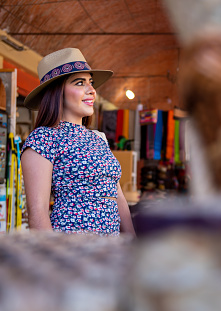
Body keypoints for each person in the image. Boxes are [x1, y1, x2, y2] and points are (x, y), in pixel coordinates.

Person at [21, 48, 136, 236]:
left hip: (110, 248)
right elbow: (38, 213)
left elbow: (118, 197)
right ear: (57, 91)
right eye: (80, 83)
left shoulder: (98, 139)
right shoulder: (44, 138)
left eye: (91, 83)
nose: (92, 90)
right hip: (71, 247)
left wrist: (134, 244)